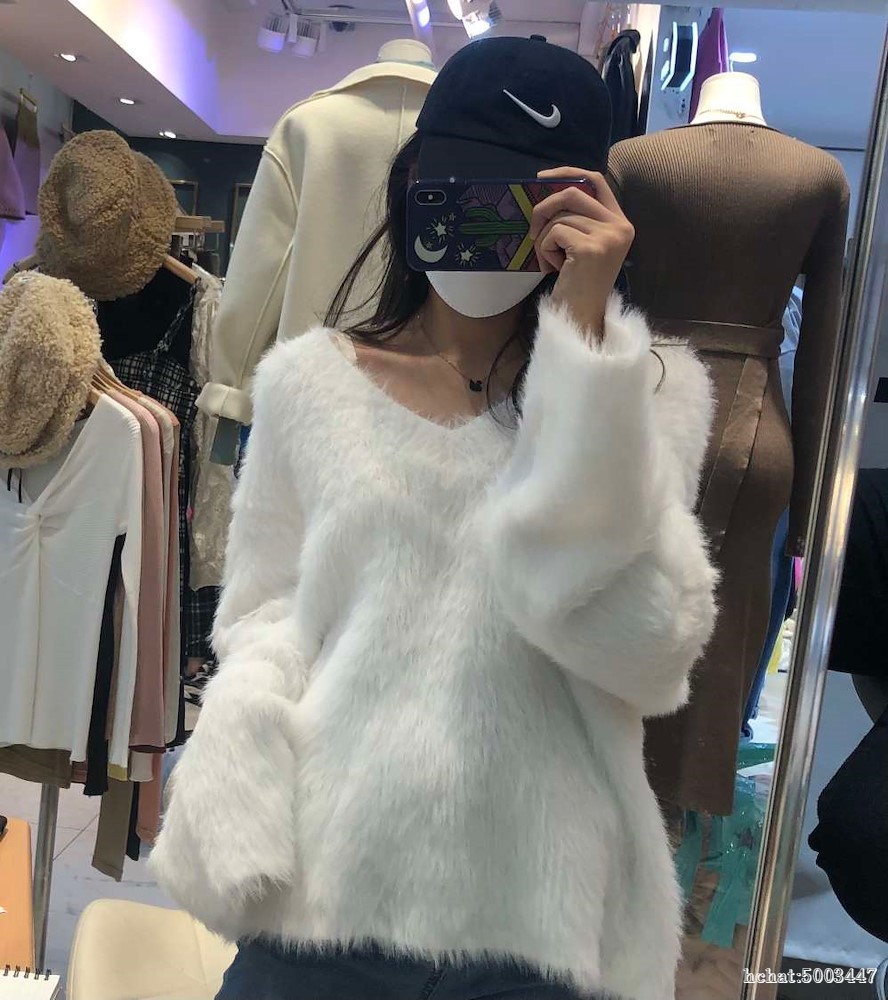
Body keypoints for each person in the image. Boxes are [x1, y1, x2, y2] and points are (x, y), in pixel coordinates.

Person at [151, 37, 717, 1000]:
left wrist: (582, 355)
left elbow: (648, 654)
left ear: (582, 215)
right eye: (459, 182)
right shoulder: (310, 383)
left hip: (535, 920)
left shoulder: (643, 395)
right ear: (414, 180)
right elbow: (266, 615)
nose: (482, 216)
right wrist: (240, 773)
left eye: (523, 200)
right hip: (327, 893)